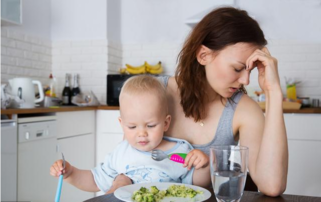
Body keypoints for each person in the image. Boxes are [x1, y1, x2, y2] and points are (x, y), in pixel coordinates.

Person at [112, 7, 288, 197]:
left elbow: (272, 185)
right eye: (238, 69)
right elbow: (127, 162)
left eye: (250, 70)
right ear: (203, 55)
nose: (246, 81)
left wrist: (274, 92)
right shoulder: (154, 93)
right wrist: (118, 183)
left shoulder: (244, 110)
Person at [50, 75, 210, 194]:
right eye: (132, 127)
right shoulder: (121, 153)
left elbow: (197, 185)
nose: (142, 134)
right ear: (122, 124)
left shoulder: (179, 152)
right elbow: (95, 181)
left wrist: (203, 166)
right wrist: (70, 173)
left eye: (151, 125)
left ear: (166, 123)